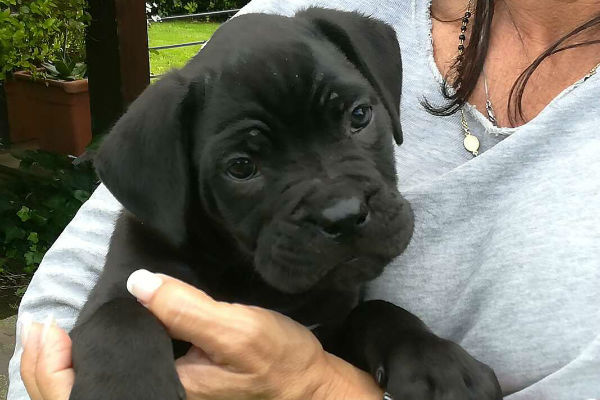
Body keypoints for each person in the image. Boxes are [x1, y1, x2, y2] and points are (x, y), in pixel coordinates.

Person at [8, 0, 600, 399]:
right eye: (243, 164)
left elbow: (323, 335)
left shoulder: (334, 39)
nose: (340, 205)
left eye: (355, 117)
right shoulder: (300, 21)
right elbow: (57, 325)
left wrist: (330, 375)